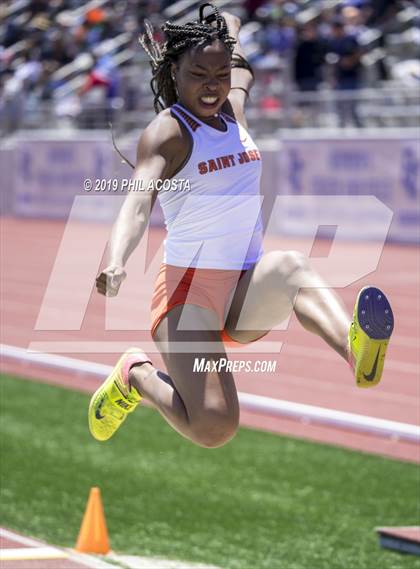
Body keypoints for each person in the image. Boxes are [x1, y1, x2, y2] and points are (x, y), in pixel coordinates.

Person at [88, 4, 394, 448]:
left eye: (219, 75)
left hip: (245, 285)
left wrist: (233, 32)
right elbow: (137, 202)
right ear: (174, 72)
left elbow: (242, 69)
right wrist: (116, 260)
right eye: (198, 74)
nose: (211, 87)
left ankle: (358, 354)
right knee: (215, 427)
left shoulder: (234, 111)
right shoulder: (168, 133)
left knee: (290, 266)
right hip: (188, 295)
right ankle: (134, 375)